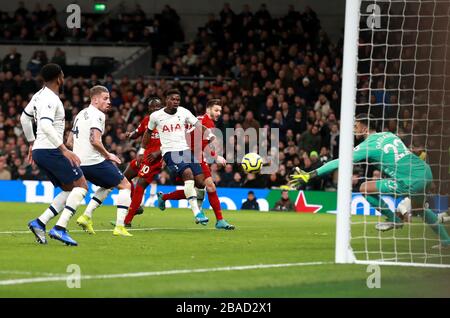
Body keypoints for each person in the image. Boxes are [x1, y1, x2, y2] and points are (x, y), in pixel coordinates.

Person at [289, 113, 450, 248]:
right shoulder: (388, 134)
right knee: (420, 209)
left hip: (409, 180)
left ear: (365, 127)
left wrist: (311, 174)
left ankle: (394, 220)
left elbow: (340, 161)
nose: (354, 128)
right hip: (425, 171)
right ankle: (446, 241)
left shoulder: (368, 145)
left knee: (365, 187)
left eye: (356, 125)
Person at [20, 63, 88, 246]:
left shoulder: (38, 95)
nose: (64, 78)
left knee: (68, 189)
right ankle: (60, 228)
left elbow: (24, 118)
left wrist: (31, 143)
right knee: (81, 186)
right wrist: (64, 150)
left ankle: (39, 222)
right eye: (63, 75)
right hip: (51, 150)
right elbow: (45, 125)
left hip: (41, 150)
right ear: (59, 77)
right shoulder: (51, 99)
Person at [157, 98, 235, 230]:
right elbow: (202, 144)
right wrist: (216, 157)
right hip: (188, 157)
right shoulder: (204, 122)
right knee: (207, 187)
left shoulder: (200, 119)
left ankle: (165, 197)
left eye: (220, 111)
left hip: (196, 157)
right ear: (208, 109)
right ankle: (218, 220)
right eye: (216, 110)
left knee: (204, 188)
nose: (219, 113)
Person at [68, 85, 133, 237]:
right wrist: (107, 155)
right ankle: (119, 227)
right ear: (95, 100)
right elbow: (95, 140)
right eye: (105, 98)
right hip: (93, 161)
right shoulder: (98, 115)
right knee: (125, 185)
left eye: (109, 98)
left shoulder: (80, 114)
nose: (109, 102)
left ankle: (86, 217)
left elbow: (69, 141)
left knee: (109, 185)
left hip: (80, 163)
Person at [147, 89, 212, 224]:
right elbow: (147, 133)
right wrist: (142, 151)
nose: (175, 102)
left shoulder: (184, 112)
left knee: (201, 183)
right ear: (166, 100)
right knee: (188, 175)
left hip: (186, 151)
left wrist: (209, 134)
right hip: (170, 153)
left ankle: (194, 208)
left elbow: (197, 124)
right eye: (173, 99)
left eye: (177, 100)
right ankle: (197, 213)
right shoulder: (156, 116)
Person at [119, 97, 163, 226]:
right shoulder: (147, 120)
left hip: (155, 159)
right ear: (149, 109)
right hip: (143, 156)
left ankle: (127, 220)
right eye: (153, 107)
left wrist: (158, 152)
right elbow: (137, 133)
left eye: (158, 106)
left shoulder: (167, 123)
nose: (155, 109)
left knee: (140, 185)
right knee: (124, 178)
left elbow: (173, 142)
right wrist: (129, 134)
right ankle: (136, 206)